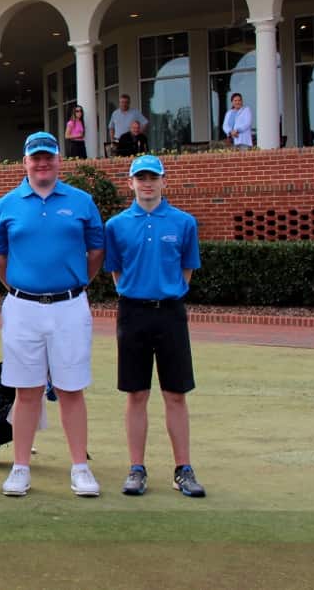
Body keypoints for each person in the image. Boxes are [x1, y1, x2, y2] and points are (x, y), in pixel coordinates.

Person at [0, 132, 105, 498]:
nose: (42, 164)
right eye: (35, 158)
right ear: (25, 162)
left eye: (48, 157)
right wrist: (20, 288)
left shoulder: (81, 202)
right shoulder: (7, 204)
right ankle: (20, 468)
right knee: (27, 391)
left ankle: (80, 468)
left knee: (71, 389)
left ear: (59, 160)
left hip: (70, 306)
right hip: (23, 307)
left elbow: (96, 250)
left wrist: (76, 283)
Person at [104, 155, 206, 498]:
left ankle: (183, 469)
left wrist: (166, 293)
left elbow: (186, 271)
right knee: (136, 394)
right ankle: (136, 468)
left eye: (153, 178)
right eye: (140, 178)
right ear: (130, 183)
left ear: (164, 181)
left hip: (170, 314)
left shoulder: (183, 222)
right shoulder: (116, 226)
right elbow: (116, 272)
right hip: (132, 313)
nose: (147, 184)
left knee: (175, 394)